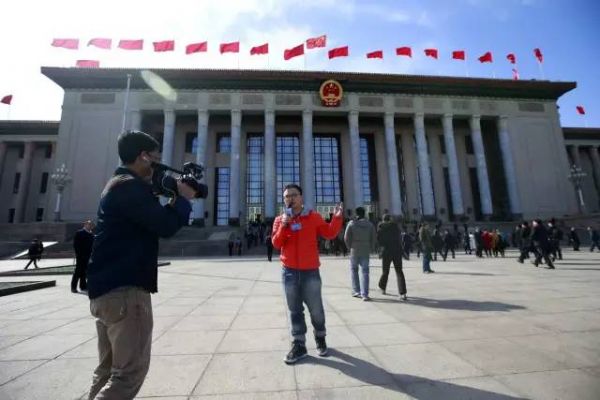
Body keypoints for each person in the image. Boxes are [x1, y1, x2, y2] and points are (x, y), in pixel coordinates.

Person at [86, 131, 195, 399]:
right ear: (143, 157)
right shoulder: (130, 187)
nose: (157, 167)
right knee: (128, 376)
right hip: (125, 293)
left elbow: (149, 219)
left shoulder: (117, 184)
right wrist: (183, 199)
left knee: (108, 372)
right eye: (156, 159)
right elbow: (165, 225)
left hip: (106, 292)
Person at [271, 184, 343, 365]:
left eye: (293, 195)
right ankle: (299, 344)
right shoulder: (280, 220)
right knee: (295, 310)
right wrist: (284, 225)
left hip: (310, 271)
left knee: (316, 309)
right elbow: (276, 243)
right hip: (289, 272)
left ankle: (320, 337)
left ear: (301, 197)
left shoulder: (313, 217)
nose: (290, 199)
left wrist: (336, 217)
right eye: (287, 196)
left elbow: (329, 233)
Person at [344, 207, 377, 301]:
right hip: (365, 249)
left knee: (354, 270)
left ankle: (356, 291)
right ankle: (365, 294)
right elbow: (374, 237)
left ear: (356, 214)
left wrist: (349, 247)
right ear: (364, 213)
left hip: (354, 249)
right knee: (365, 272)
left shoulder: (351, 223)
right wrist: (371, 247)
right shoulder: (370, 224)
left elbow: (346, 237)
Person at [377, 214, 407, 300]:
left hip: (386, 251)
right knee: (399, 271)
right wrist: (403, 252)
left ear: (383, 220)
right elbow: (399, 240)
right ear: (390, 219)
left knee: (385, 271)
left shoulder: (381, 228)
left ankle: (382, 288)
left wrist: (380, 252)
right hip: (397, 251)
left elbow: (379, 241)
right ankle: (402, 293)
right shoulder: (396, 227)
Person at [71, 220, 94, 293]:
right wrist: (78, 254)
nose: (90, 226)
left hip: (88, 256)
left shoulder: (91, 234)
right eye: (89, 224)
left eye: (91, 225)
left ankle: (83, 286)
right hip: (80, 255)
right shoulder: (79, 233)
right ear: (85, 225)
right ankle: (73, 287)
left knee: (84, 271)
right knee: (78, 271)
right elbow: (76, 245)